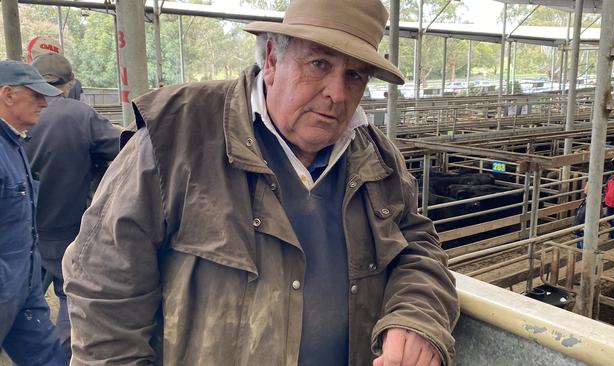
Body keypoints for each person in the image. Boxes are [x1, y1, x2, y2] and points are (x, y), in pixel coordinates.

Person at [62, 0, 459, 365]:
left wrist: (417, 314)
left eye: (354, 75)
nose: (337, 93)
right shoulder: (176, 136)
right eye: (319, 64)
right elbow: (103, 291)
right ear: (272, 58)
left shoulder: (376, 156)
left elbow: (418, 247)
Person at [23, 52, 121, 358]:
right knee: (71, 298)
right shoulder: (79, 114)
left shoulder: (14, 115)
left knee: (20, 302)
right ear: (70, 83)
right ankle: (66, 357)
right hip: (67, 231)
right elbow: (124, 148)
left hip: (20, 233)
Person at [0, 60, 68, 365]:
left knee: (49, 358)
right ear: (8, 94)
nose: (44, 102)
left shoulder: (13, 145)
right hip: (6, 287)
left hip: (24, 290)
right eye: (35, 95)